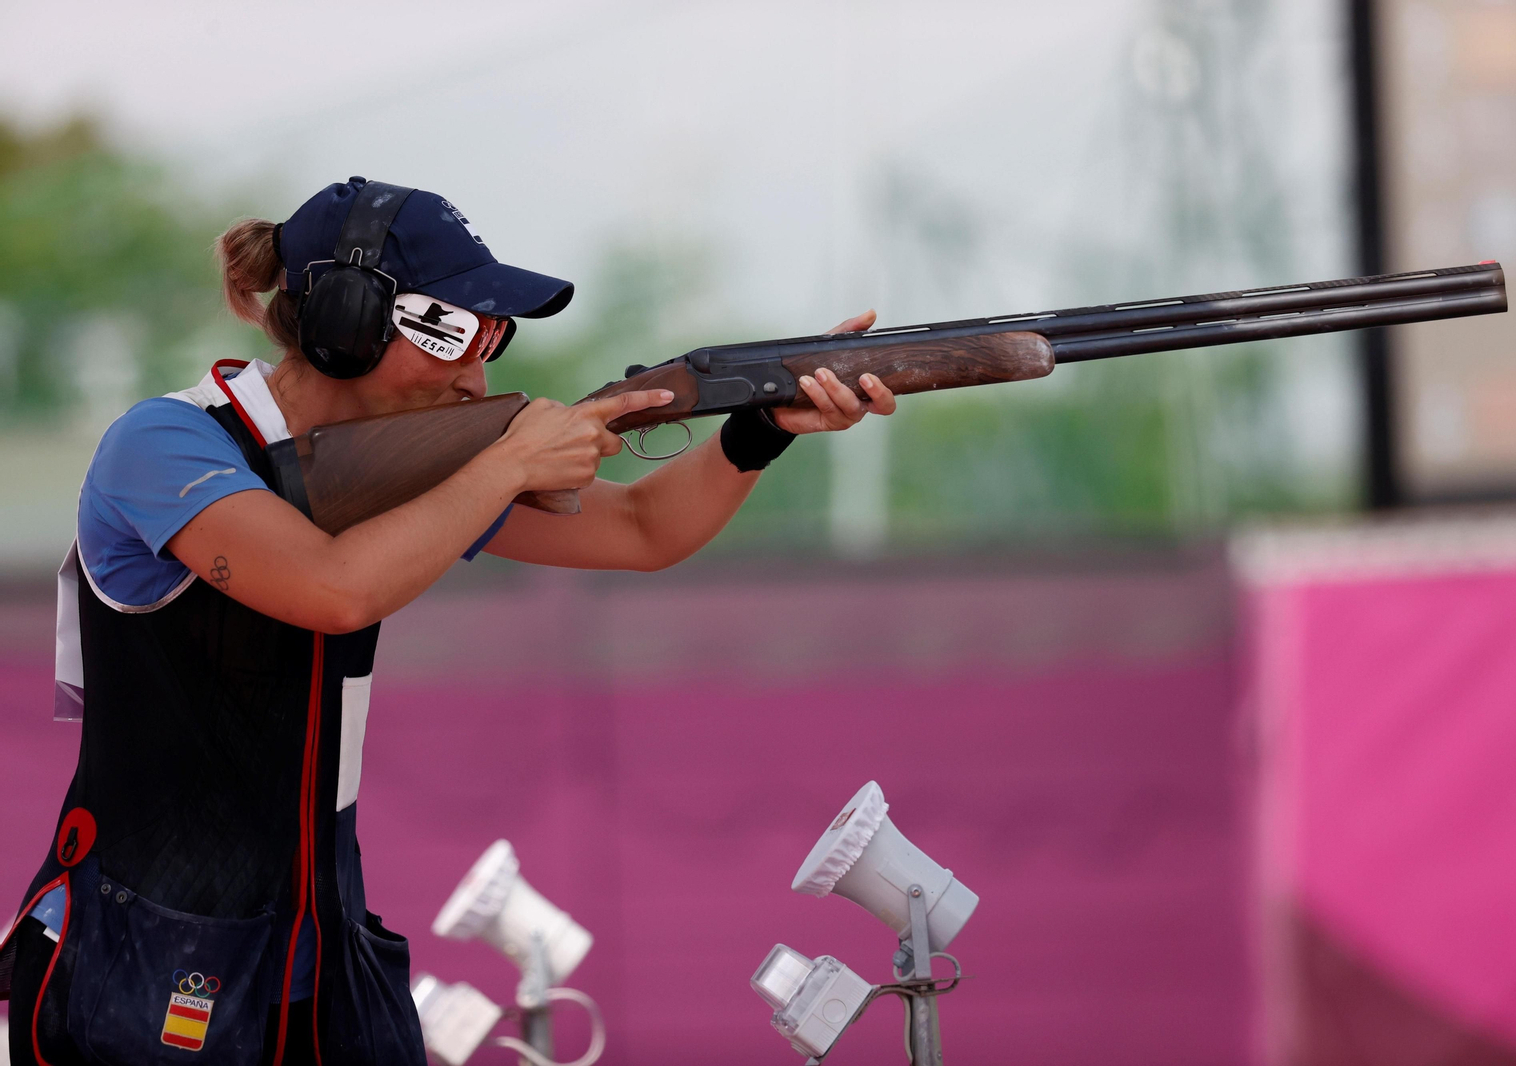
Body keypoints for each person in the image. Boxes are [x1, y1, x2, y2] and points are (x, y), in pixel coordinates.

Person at [0, 177, 896, 1066]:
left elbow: (644, 529)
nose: (477, 371)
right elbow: (334, 589)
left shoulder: (412, 471)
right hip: (141, 959)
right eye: (452, 330)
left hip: (323, 952)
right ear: (348, 323)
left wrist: (758, 431)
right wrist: (505, 467)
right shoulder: (163, 444)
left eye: (492, 334)